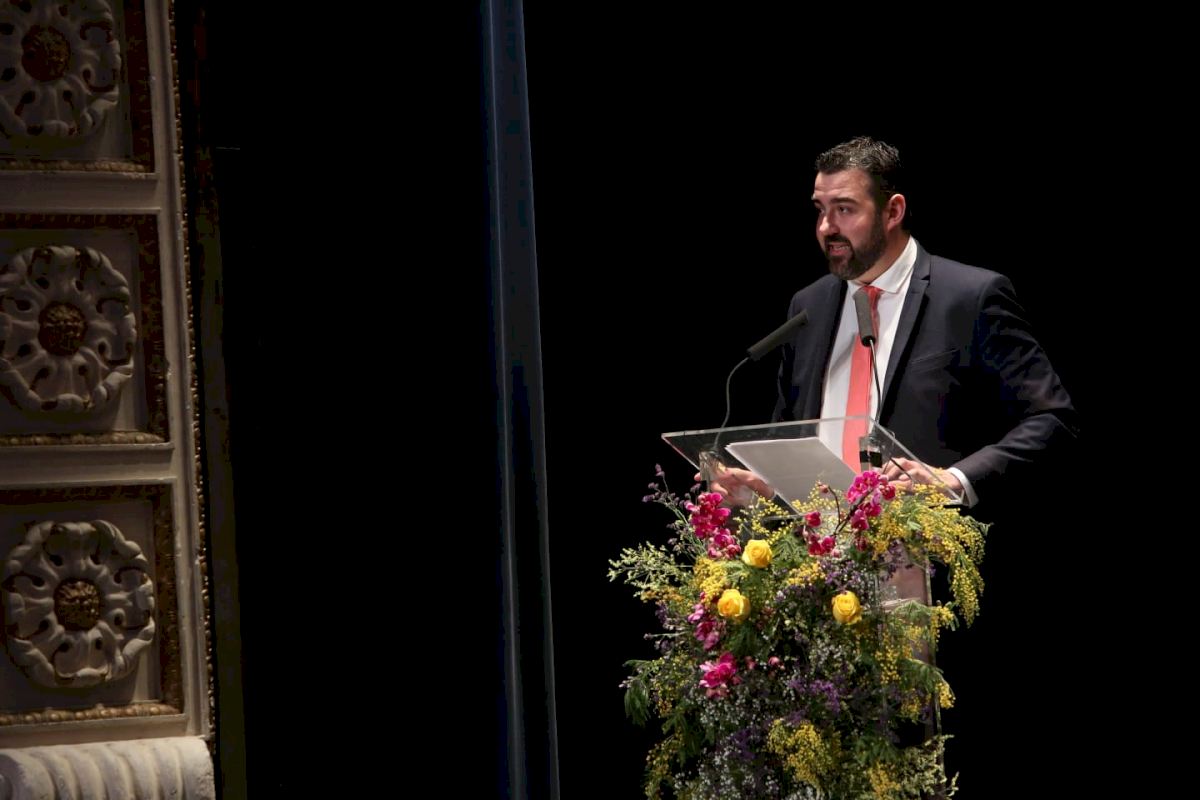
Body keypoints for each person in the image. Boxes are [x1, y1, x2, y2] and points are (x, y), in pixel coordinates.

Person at [708, 136, 1079, 793]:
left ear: (894, 209)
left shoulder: (970, 296)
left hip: (933, 594)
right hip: (821, 592)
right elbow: (798, 437)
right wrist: (759, 490)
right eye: (819, 210)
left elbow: (1052, 418)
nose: (827, 227)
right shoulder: (808, 307)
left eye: (845, 209)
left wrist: (953, 480)